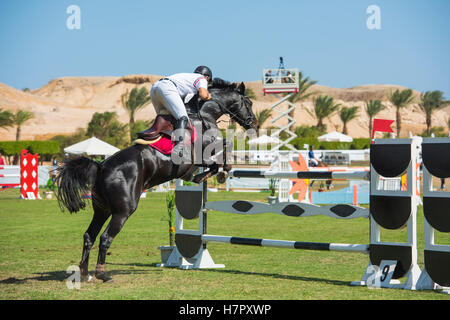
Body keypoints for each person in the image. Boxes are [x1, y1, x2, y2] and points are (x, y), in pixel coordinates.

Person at [144, 66, 213, 158]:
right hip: (167, 88)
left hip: (155, 88)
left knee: (165, 119)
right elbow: (203, 95)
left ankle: (157, 144)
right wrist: (209, 96)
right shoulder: (202, 79)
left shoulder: (187, 78)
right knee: (183, 118)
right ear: (207, 77)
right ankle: (178, 148)